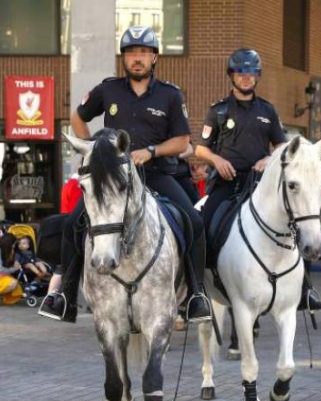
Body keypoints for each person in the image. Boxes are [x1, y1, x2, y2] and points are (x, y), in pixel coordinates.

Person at [40, 25, 211, 323]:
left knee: (194, 222)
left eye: (144, 52)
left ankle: (196, 295)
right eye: (132, 53)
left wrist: (152, 152)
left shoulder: (170, 95)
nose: (137, 58)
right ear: (125, 58)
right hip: (114, 179)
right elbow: (78, 118)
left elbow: (183, 141)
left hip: (155, 174)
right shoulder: (108, 89)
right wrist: (95, 152)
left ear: (154, 58)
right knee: (73, 223)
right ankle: (65, 295)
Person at [195, 48, 321, 312]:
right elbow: (200, 149)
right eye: (240, 73)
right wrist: (217, 161)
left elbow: (282, 146)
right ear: (231, 76)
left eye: (251, 73)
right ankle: (197, 290)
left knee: (295, 224)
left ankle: (304, 290)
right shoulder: (218, 110)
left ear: (257, 77)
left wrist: (269, 159)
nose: (246, 78)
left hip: (260, 184)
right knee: (203, 225)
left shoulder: (267, 110)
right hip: (226, 182)